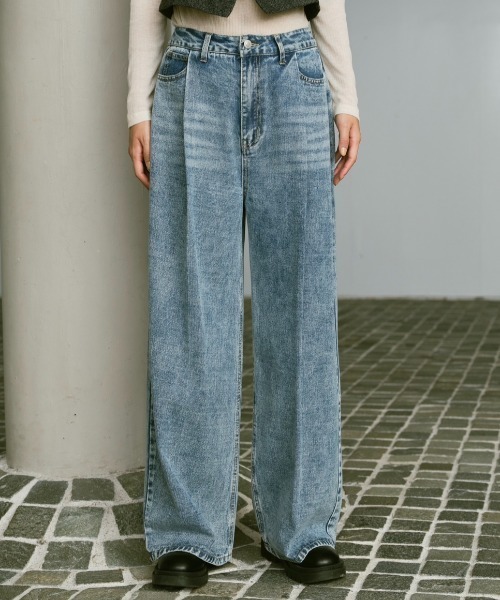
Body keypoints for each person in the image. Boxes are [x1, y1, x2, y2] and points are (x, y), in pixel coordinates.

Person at [127, 0, 361, 590]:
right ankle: (188, 530)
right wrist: (138, 104)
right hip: (192, 70)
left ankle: (302, 526)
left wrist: (346, 98)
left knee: (301, 312)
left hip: (293, 70)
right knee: (191, 312)